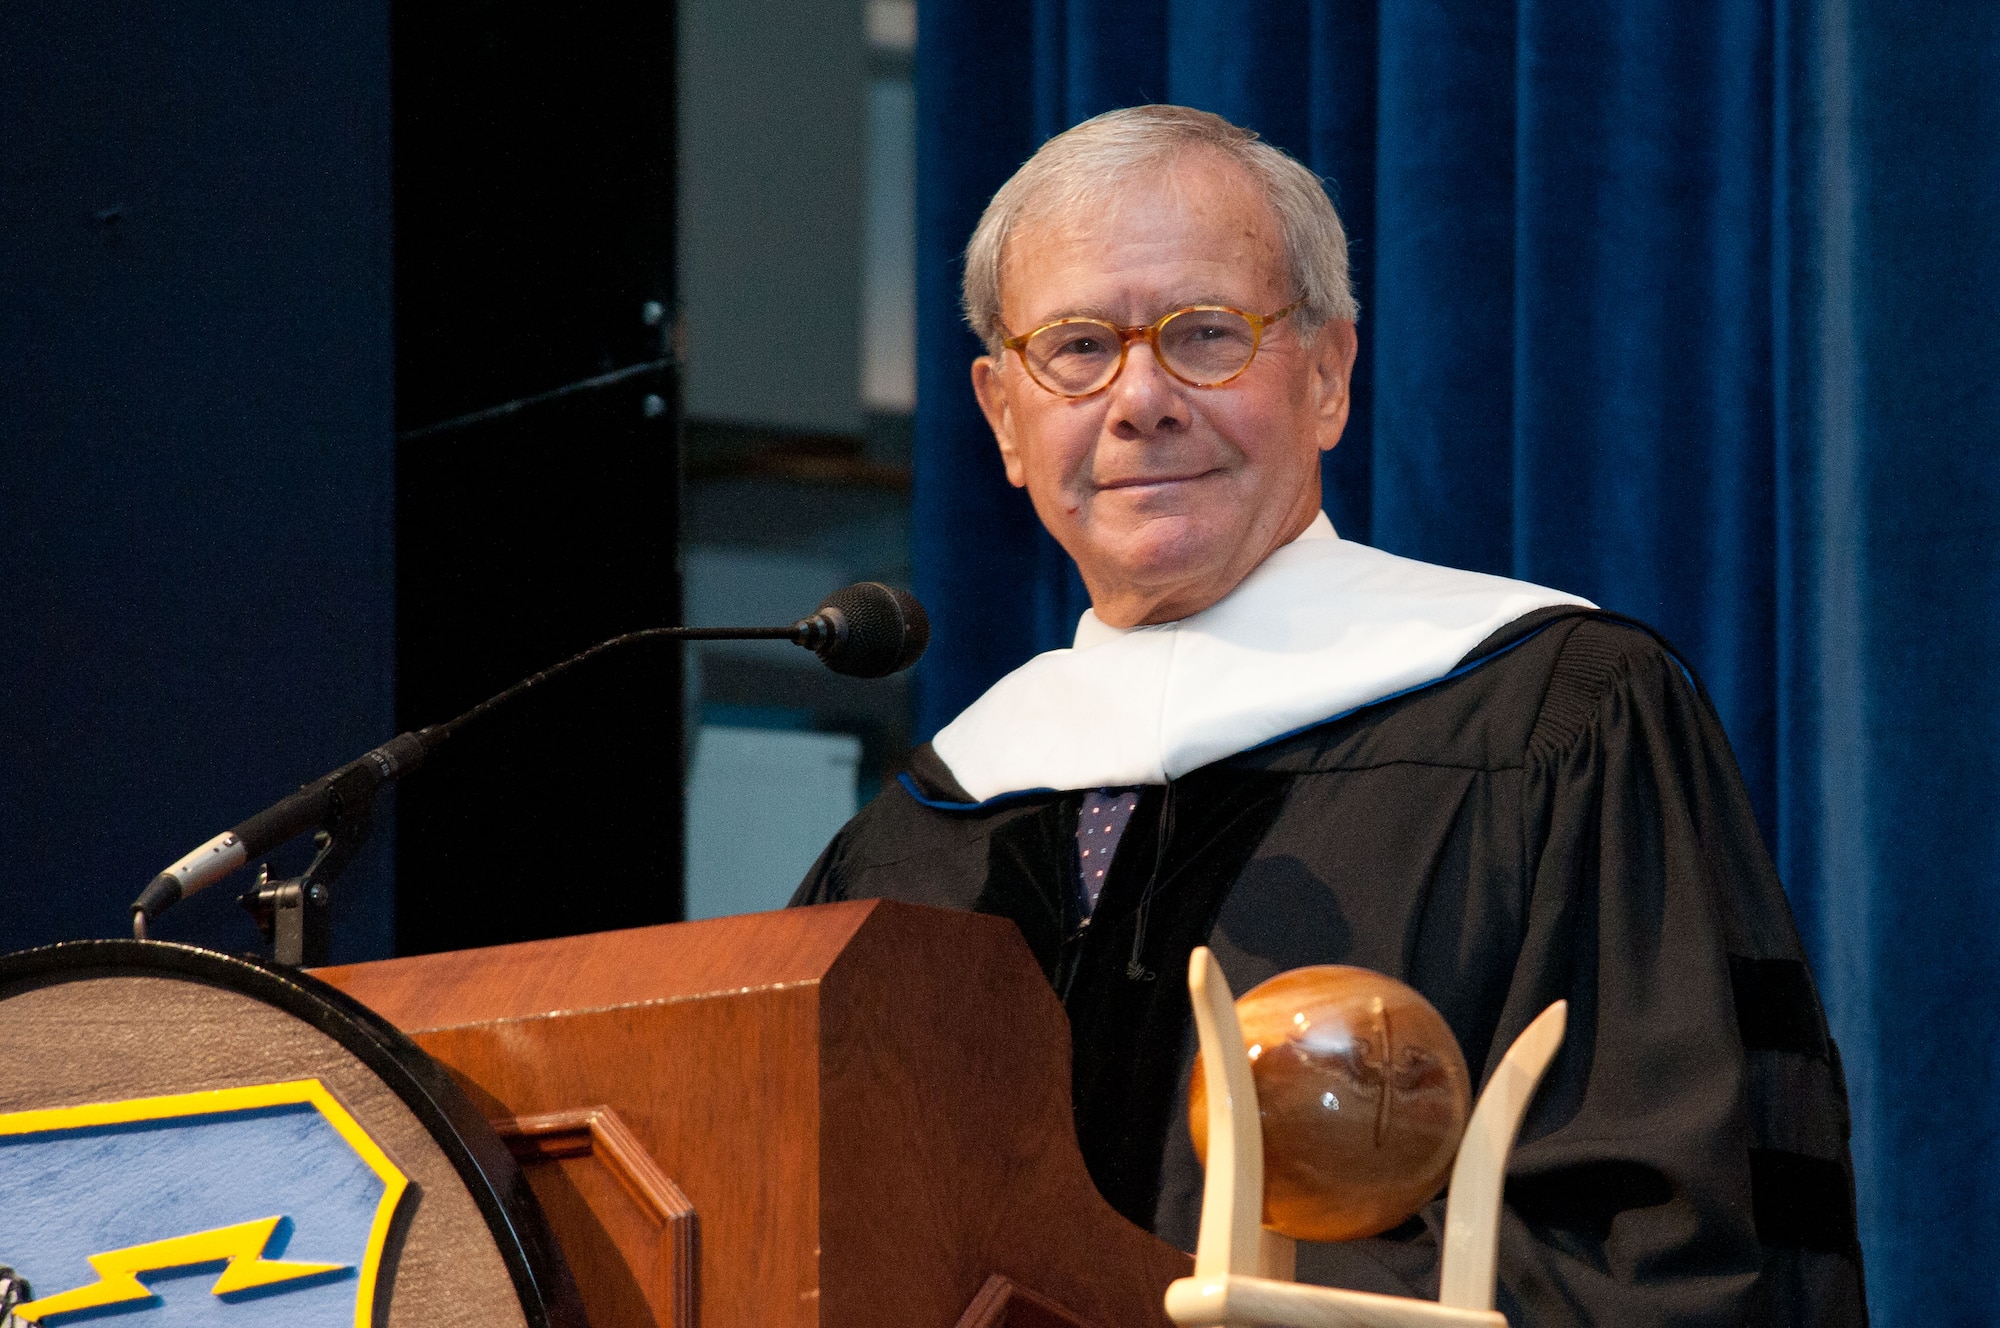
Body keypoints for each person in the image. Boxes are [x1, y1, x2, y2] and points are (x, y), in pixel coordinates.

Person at [793, 105, 1863, 1327]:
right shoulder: (927, 828)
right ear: (1001, 419)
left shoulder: (1550, 721)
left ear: (1326, 376)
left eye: (1203, 333)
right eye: (1076, 347)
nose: (1138, 398)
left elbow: (1683, 1239)